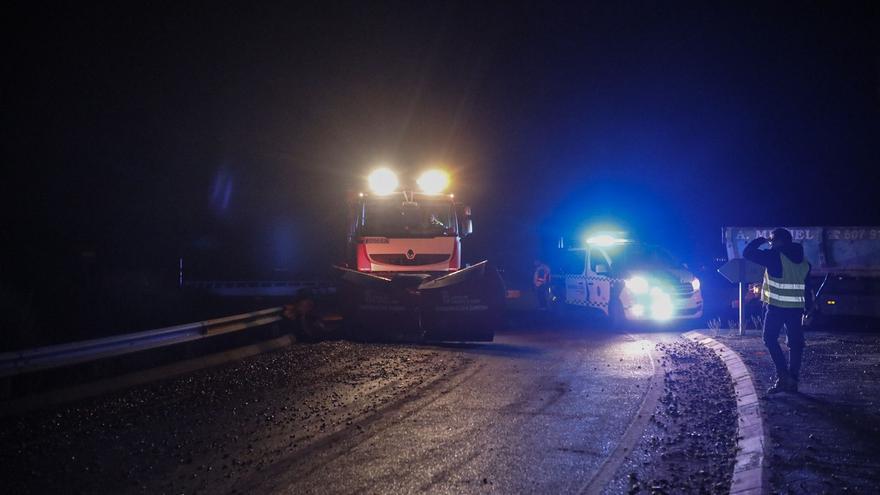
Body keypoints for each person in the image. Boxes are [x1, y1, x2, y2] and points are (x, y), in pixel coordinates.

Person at [744, 228, 813, 393]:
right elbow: (807, 287)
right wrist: (809, 309)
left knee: (769, 338)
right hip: (796, 308)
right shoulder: (804, 262)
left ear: (779, 241)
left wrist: (762, 239)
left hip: (776, 307)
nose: (771, 244)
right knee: (796, 344)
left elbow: (748, 252)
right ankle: (793, 381)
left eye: (773, 241)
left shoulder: (774, 256)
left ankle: (784, 377)